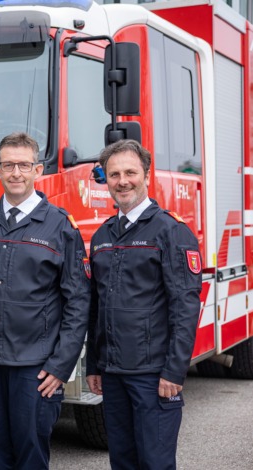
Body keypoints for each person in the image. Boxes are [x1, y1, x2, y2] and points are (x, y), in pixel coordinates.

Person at [0, 132, 91, 469]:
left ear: (38, 170)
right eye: (8, 165)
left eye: (24, 165)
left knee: (31, 450)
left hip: (36, 365)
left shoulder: (60, 227)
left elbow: (77, 301)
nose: (16, 172)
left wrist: (62, 366)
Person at [86, 139, 202, 470]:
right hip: (113, 373)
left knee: (155, 462)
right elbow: (97, 307)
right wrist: (94, 365)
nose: (123, 181)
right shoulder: (103, 235)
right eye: (114, 174)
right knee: (122, 460)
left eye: (130, 172)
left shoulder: (171, 231)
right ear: (105, 179)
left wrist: (174, 371)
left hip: (153, 375)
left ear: (146, 175)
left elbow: (184, 306)